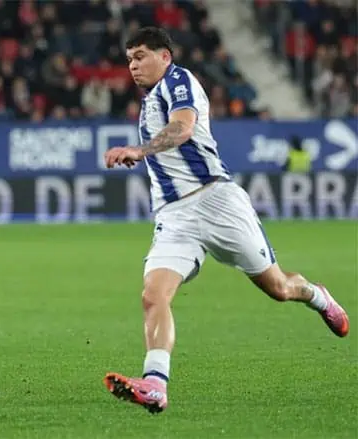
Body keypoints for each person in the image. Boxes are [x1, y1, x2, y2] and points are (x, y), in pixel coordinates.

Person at [102, 27, 349, 414]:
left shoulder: (178, 80)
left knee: (279, 288)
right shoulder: (149, 102)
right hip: (175, 216)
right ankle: (155, 383)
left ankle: (317, 296)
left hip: (216, 201)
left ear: (164, 56)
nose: (132, 65)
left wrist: (140, 149)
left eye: (140, 56)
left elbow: (182, 128)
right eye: (129, 59)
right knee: (153, 295)